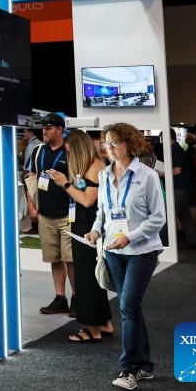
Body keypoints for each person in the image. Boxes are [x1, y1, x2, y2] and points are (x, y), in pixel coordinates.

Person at [85, 122, 166, 391]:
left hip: (141, 251)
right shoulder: (105, 175)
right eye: (106, 143)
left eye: (114, 143)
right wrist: (96, 231)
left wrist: (129, 237)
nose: (108, 148)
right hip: (113, 251)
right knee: (129, 308)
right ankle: (144, 366)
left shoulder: (147, 176)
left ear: (128, 144)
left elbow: (158, 219)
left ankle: (128, 369)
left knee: (128, 306)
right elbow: (102, 212)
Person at [46, 130, 113, 343]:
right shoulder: (88, 167)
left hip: (88, 230)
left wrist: (65, 184)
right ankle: (104, 324)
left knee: (86, 280)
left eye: (68, 148)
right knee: (91, 278)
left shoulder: (95, 167)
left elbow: (86, 201)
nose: (66, 152)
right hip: (82, 228)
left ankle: (91, 329)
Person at [24, 112, 76, 316]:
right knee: (54, 259)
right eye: (44, 127)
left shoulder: (70, 151)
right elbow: (31, 179)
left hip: (67, 215)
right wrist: (31, 205)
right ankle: (60, 297)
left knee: (71, 259)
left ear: (60, 130)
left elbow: (79, 179)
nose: (44, 130)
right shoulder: (38, 151)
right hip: (46, 214)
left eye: (49, 127)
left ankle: (77, 298)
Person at [168, 129, 196, 248]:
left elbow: (177, 170)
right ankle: (194, 241)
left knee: (168, 216)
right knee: (185, 215)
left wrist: (162, 173)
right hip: (183, 188)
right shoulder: (176, 149)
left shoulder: (175, 150)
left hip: (179, 189)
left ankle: (165, 245)